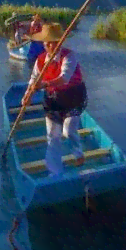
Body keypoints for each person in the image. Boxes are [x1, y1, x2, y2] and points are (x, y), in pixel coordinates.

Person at [21, 23, 87, 177]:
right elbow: (33, 79)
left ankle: (78, 153)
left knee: (69, 130)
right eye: (46, 42)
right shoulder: (41, 60)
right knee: (53, 137)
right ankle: (55, 172)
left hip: (73, 97)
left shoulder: (70, 56)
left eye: (53, 41)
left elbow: (64, 78)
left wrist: (43, 84)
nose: (49, 45)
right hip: (53, 100)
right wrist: (27, 95)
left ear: (60, 41)